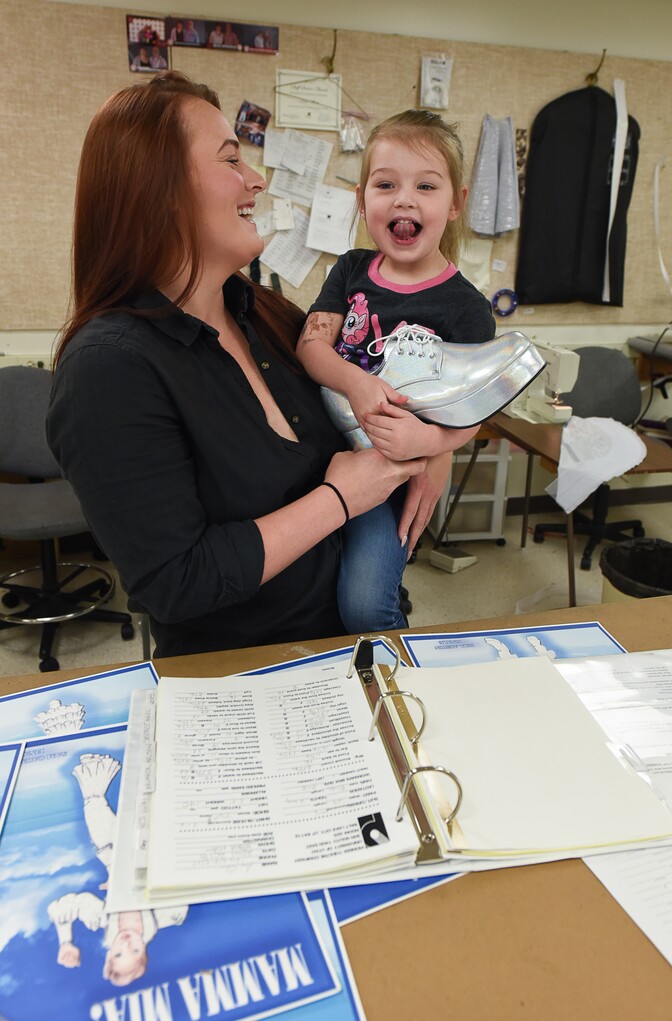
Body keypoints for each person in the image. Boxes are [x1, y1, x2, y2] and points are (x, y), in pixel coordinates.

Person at [47, 72, 425, 658]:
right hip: (245, 679)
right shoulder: (108, 369)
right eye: (230, 162)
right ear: (158, 188)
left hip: (357, 646)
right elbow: (177, 582)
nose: (255, 180)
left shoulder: (272, 316)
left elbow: (384, 387)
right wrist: (341, 499)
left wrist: (439, 450)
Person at [297, 109, 496, 633]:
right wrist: (359, 383)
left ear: (455, 204)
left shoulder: (467, 308)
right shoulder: (350, 269)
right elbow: (312, 347)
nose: (404, 199)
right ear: (363, 201)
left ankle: (393, 680)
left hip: (390, 470)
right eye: (386, 184)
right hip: (320, 447)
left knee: (365, 605)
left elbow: (472, 416)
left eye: (426, 186)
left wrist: (430, 444)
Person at [47, 753, 187, 986]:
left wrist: (66, 942)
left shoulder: (99, 916)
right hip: (154, 847)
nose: (126, 944)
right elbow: (179, 885)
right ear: (144, 951)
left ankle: (99, 771)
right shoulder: (168, 915)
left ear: (109, 953)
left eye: (119, 953)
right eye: (134, 951)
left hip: (112, 850)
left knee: (95, 805)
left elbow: (61, 909)